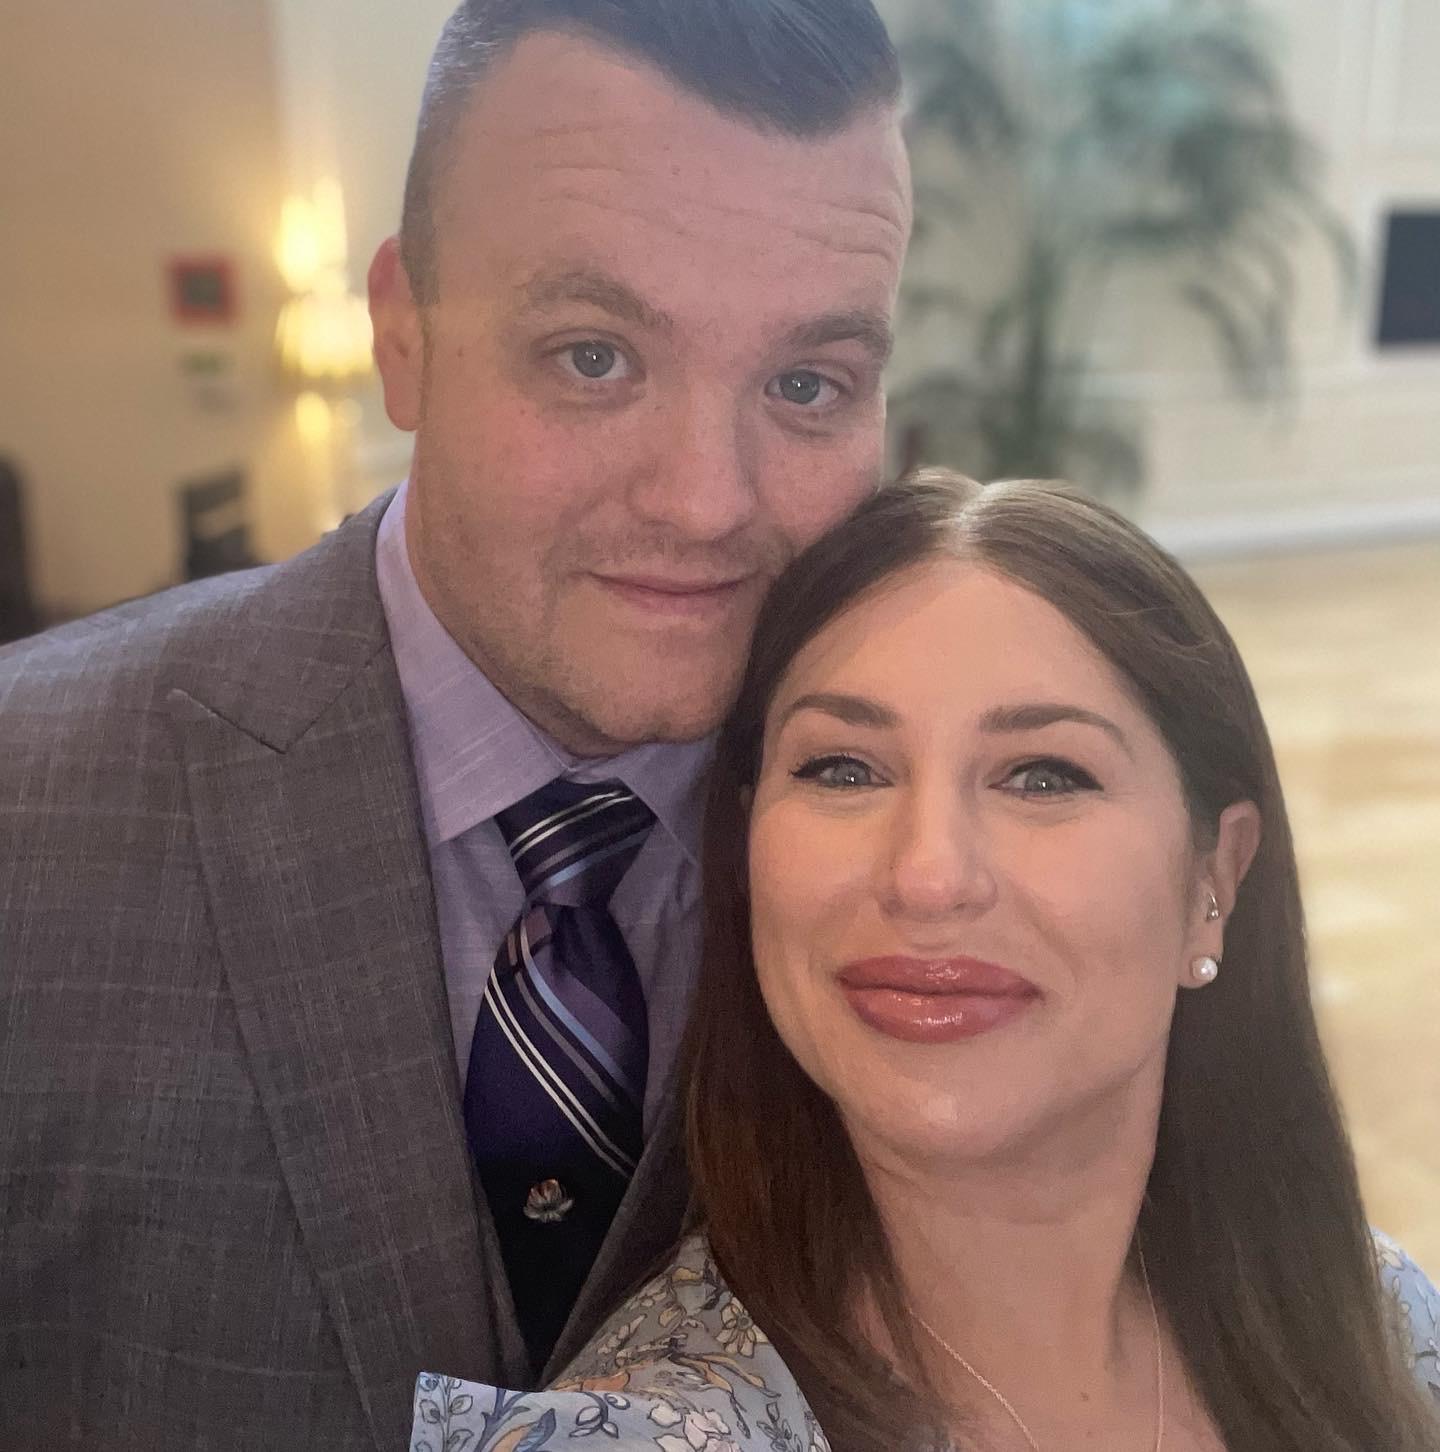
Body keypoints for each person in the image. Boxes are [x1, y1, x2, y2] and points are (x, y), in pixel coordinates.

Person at [0, 4, 912, 1449]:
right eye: (594, 356)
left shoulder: (940, 840)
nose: (706, 502)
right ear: (403, 332)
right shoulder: (31, 812)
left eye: (806, 385)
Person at [415, 473, 1440, 1452]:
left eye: (1043, 776)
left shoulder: (1385, 1324)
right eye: (843, 769)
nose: (928, 876)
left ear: (1214, 874)